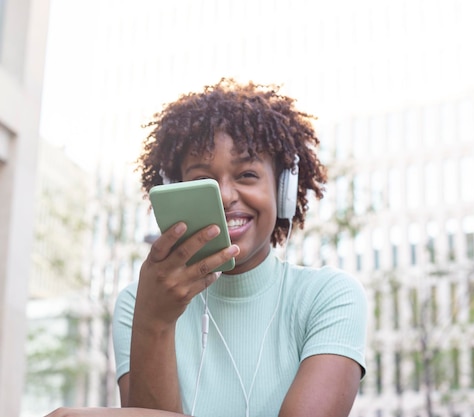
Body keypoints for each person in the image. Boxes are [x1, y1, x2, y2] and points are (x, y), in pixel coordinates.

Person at [46, 78, 368, 417]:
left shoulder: (330, 296)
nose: (226, 195)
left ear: (284, 190)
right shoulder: (137, 302)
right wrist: (154, 321)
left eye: (246, 174)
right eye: (202, 181)